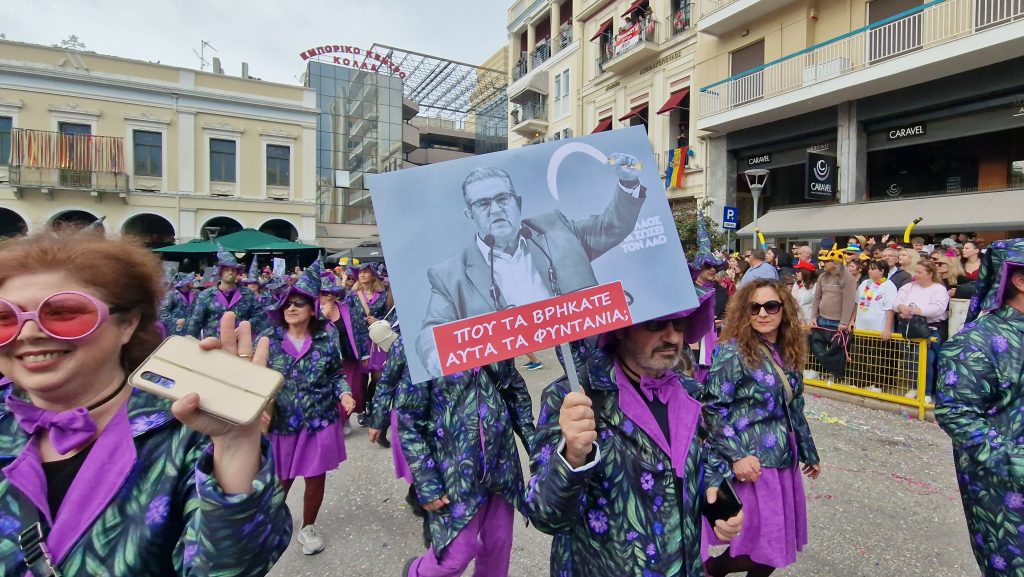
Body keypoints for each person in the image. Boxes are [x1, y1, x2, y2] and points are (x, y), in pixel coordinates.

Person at [0, 231, 291, 576]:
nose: (29, 332)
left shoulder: (190, 434)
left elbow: (227, 567)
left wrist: (236, 443)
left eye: (64, 313)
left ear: (127, 323)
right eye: (4, 318)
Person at [524, 287, 743, 576]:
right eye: (655, 323)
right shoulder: (573, 397)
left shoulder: (689, 392)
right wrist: (572, 457)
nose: (672, 336)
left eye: (679, 323)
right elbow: (546, 516)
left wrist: (715, 493)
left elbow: (701, 463)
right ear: (621, 329)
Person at [417, 158, 646, 376]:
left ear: (518, 203)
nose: (495, 210)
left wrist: (628, 183)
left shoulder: (557, 229)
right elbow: (430, 333)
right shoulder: (449, 274)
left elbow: (611, 227)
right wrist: (436, 356)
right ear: (470, 215)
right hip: (518, 376)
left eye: (503, 199)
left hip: (591, 356)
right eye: (483, 204)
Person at [703, 279, 821, 577]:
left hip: (783, 460)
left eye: (771, 306)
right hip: (753, 464)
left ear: (784, 309)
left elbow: (794, 407)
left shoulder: (788, 350)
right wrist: (736, 456)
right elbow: (712, 410)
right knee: (758, 545)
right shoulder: (732, 352)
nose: (763, 313)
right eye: (754, 307)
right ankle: (709, 570)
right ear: (745, 311)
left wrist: (809, 452)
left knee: (774, 546)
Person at [934, 238, 1024, 577]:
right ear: (1019, 280)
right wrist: (1013, 462)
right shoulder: (976, 340)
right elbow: (955, 412)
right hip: (1005, 487)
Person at [397, 360, 535, 577]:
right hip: (454, 474)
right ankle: (416, 573)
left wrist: (537, 449)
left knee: (498, 547)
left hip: (501, 466)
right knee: (454, 557)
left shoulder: (492, 335)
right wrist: (427, 482)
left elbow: (515, 391)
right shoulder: (424, 340)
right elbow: (408, 420)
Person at [259, 259, 355, 556]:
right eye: (287, 303)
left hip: (319, 420)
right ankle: (269, 525)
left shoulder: (326, 340)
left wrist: (346, 393)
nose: (292, 308)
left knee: (315, 477)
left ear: (312, 309)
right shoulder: (270, 341)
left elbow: (336, 374)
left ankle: (307, 527)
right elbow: (256, 377)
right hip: (283, 422)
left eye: (299, 303)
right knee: (281, 479)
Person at [883, 260, 949, 404]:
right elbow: (896, 303)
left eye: (920, 272)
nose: (916, 275)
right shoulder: (908, 287)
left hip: (931, 328)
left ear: (930, 274)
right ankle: (914, 385)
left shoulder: (939, 289)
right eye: (916, 271)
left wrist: (915, 310)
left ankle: (927, 391)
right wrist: (901, 307)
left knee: (927, 360)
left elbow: (938, 308)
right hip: (909, 328)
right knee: (910, 360)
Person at [340, 262, 393, 427]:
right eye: (359, 273)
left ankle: (371, 403)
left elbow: (390, 316)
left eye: (365, 272)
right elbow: (348, 319)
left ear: (373, 275)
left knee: (378, 376)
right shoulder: (352, 296)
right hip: (361, 341)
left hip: (378, 340)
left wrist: (380, 321)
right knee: (361, 378)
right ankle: (364, 410)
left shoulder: (384, 295)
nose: (362, 275)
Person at [186, 247, 259, 339]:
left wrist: (245, 327)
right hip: (213, 346)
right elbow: (195, 323)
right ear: (220, 272)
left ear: (237, 273)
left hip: (240, 345)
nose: (230, 273)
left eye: (233, 270)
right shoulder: (205, 295)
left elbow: (259, 316)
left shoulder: (248, 294)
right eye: (226, 270)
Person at [811, 249, 856, 333]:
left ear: (835, 263)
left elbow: (849, 301)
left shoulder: (848, 278)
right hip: (821, 319)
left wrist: (844, 322)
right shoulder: (822, 276)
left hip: (838, 322)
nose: (823, 264)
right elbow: (817, 298)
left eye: (826, 261)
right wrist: (813, 316)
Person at [853, 260, 898, 333]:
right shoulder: (865, 283)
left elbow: (890, 309)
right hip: (860, 328)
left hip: (879, 330)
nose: (869, 271)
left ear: (882, 271)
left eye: (873, 269)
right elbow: (856, 303)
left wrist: (887, 329)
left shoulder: (889, 286)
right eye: (869, 269)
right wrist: (852, 321)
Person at [158, 272, 196, 336]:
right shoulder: (172, 295)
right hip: (176, 332)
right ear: (184, 283)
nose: (192, 282)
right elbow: (162, 312)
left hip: (191, 332)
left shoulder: (195, 294)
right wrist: (175, 321)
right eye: (190, 280)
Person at [791, 260, 818, 325]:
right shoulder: (796, 284)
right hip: (796, 321)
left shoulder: (815, 285)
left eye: (798, 271)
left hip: (809, 322)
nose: (796, 273)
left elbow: (816, 303)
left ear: (805, 272)